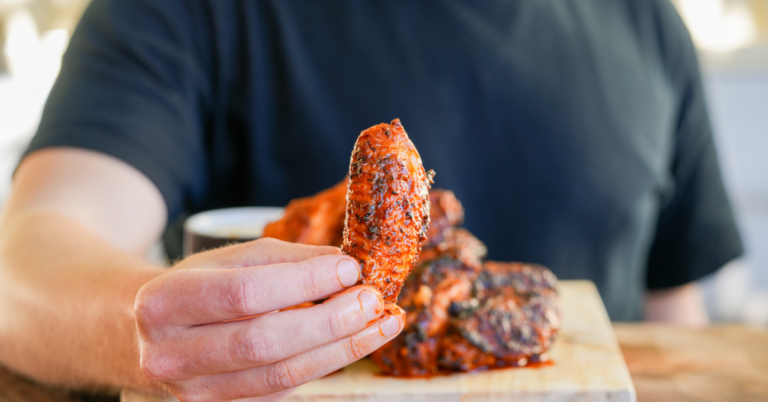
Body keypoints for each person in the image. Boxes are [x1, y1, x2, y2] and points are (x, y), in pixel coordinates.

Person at [0, 0, 743, 400]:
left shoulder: (649, 21)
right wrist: (136, 328)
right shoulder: (183, 12)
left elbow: (674, 323)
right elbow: (24, 264)